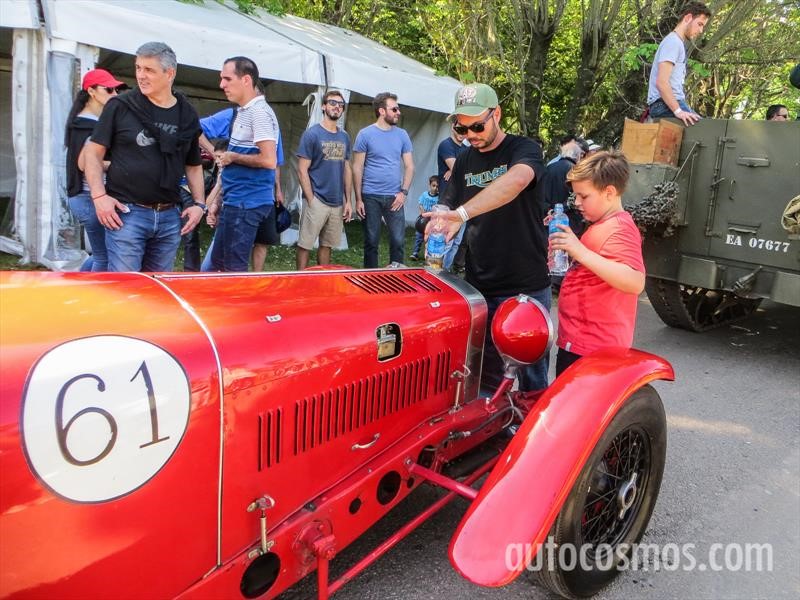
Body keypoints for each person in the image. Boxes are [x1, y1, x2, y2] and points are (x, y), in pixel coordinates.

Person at [427, 83, 549, 393]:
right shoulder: (466, 159)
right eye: (462, 128)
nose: (471, 135)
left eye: (477, 126)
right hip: (481, 283)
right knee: (485, 377)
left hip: (526, 286)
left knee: (531, 377)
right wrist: (440, 218)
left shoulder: (524, 149)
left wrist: (463, 214)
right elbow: (448, 199)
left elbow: (518, 181)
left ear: (497, 114)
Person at [84, 42, 205, 272]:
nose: (141, 75)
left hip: (170, 215)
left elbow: (193, 164)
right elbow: (93, 152)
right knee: (126, 290)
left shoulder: (186, 113)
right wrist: (99, 196)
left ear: (170, 73)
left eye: (149, 70)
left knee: (157, 292)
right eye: (138, 68)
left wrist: (199, 203)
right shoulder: (120, 106)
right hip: (127, 214)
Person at [548, 151, 645, 376]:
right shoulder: (602, 224)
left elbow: (635, 281)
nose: (577, 203)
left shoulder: (620, 229)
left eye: (584, 196)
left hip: (594, 351)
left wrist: (579, 251)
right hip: (581, 344)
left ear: (609, 192)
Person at [210, 56, 280, 272]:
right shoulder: (245, 110)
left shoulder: (258, 112)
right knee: (220, 263)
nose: (222, 85)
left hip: (246, 203)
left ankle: (235, 305)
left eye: (227, 79)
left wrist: (233, 157)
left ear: (246, 80)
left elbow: (269, 160)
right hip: (237, 200)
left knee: (233, 268)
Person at [64, 68, 124, 272]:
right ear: (91, 91)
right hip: (89, 197)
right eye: (109, 90)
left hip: (86, 196)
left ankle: (79, 283)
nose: (115, 95)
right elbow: (84, 163)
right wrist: (121, 165)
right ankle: (92, 297)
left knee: (101, 254)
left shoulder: (85, 121)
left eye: (116, 90)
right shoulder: (88, 125)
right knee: (104, 256)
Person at [353, 92, 414, 267]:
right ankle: (371, 280)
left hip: (395, 196)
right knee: (371, 241)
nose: (398, 112)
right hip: (370, 195)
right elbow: (357, 167)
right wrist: (358, 199)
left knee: (398, 241)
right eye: (394, 109)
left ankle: (396, 281)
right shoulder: (365, 134)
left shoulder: (402, 134)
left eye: (398, 108)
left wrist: (403, 192)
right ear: (381, 111)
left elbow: (410, 166)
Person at [295, 90, 353, 270]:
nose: (337, 107)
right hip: (317, 199)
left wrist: (348, 201)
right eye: (333, 103)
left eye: (340, 105)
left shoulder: (344, 136)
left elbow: (347, 169)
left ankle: (322, 280)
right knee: (305, 244)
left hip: (337, 202)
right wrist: (310, 198)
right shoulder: (312, 134)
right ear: (323, 106)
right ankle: (300, 280)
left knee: (327, 244)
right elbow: (302, 170)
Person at [647, 1, 712, 126]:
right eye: (699, 24)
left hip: (667, 104)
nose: (701, 30)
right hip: (664, 105)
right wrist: (678, 111)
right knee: (706, 130)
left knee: (705, 129)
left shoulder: (676, 43)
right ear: (688, 18)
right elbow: (661, 82)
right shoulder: (673, 42)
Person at [538, 134, 586, 237]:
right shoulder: (575, 172)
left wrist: (550, 211)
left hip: (548, 222)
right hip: (569, 223)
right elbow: (574, 199)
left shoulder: (549, 167)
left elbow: (540, 196)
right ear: (578, 155)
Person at [437, 123, 467, 272]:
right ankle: (437, 271)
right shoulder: (446, 145)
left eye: (465, 129)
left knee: (457, 241)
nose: (462, 132)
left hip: (463, 203)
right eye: (459, 128)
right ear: (452, 127)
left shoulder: (467, 149)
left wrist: (457, 170)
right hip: (447, 202)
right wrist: (457, 170)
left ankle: (446, 271)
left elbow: (472, 172)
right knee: (445, 240)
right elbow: (460, 170)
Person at [410, 175, 439, 261]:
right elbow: (420, 203)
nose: (435, 188)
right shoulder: (424, 195)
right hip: (423, 221)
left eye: (437, 186)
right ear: (429, 185)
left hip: (432, 221)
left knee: (430, 238)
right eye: (433, 186)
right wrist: (422, 212)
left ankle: (428, 254)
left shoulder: (438, 197)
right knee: (419, 237)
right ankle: (415, 253)